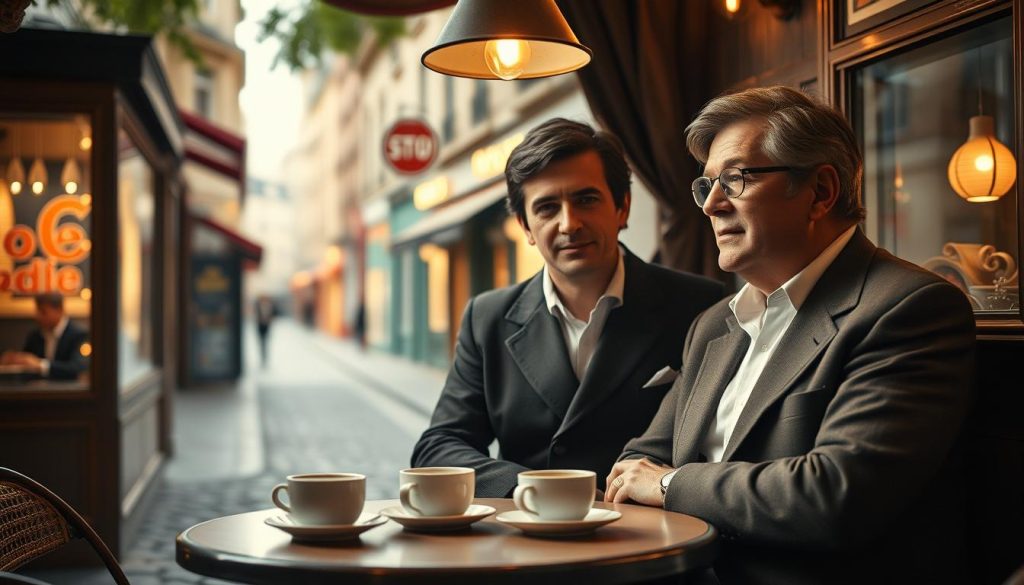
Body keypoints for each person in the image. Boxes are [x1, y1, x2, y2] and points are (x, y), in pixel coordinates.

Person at [605, 86, 976, 584]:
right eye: (706, 185)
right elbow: (638, 460)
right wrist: (652, 480)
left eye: (735, 179)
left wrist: (670, 485)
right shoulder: (714, 323)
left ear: (820, 192)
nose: (711, 205)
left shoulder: (909, 307)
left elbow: (834, 497)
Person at [411, 118, 723, 497]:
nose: (568, 224)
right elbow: (438, 448)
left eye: (586, 200)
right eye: (546, 208)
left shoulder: (701, 306)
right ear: (525, 227)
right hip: (529, 540)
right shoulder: (487, 318)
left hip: (651, 539)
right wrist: (530, 488)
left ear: (622, 208)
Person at [1, 292, 89, 380]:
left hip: (68, 391)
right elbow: (26, 363)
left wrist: (40, 365)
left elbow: (77, 368)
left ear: (59, 310)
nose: (38, 316)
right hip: (37, 391)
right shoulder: (35, 335)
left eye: (43, 312)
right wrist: (15, 360)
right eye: (37, 311)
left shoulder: (79, 335)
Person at [254, 294, 276, 366]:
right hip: (260, 326)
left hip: (267, 326)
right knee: (261, 342)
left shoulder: (269, 306)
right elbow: (256, 315)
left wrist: (268, 320)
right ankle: (262, 357)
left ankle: (265, 358)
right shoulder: (258, 306)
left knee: (266, 342)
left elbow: (273, 314)